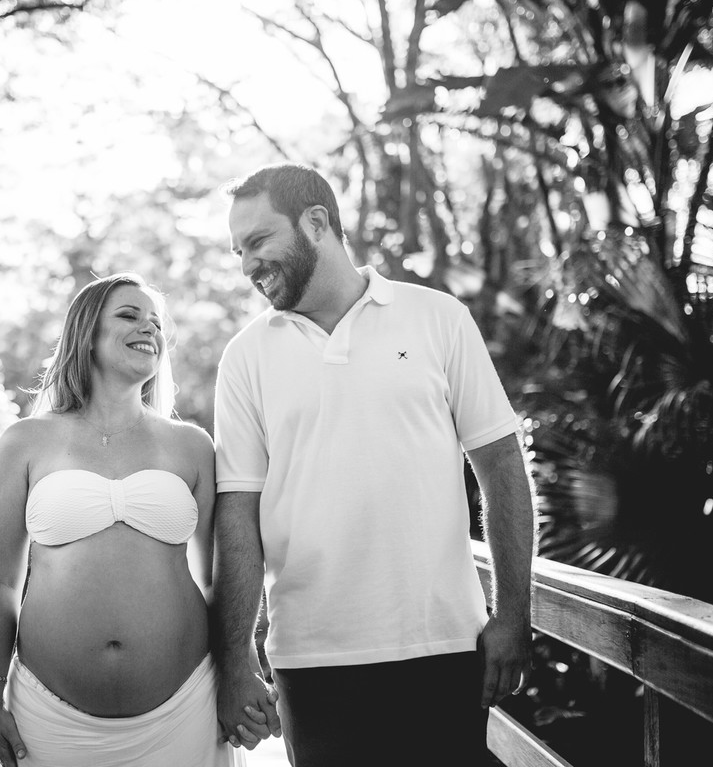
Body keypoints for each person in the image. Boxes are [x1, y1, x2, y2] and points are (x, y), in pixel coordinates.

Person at [212, 164, 536, 765]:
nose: (247, 265)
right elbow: (238, 514)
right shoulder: (246, 357)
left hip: (444, 644)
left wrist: (514, 613)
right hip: (312, 659)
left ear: (317, 223)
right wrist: (235, 660)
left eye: (258, 242)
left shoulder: (439, 318)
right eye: (238, 251)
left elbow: (501, 466)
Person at [0, 272, 252, 767]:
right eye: (128, 315)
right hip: (50, 720)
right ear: (86, 334)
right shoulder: (24, 442)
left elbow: (219, 581)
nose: (149, 328)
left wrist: (237, 674)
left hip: (184, 710)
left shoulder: (192, 445)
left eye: (156, 323)